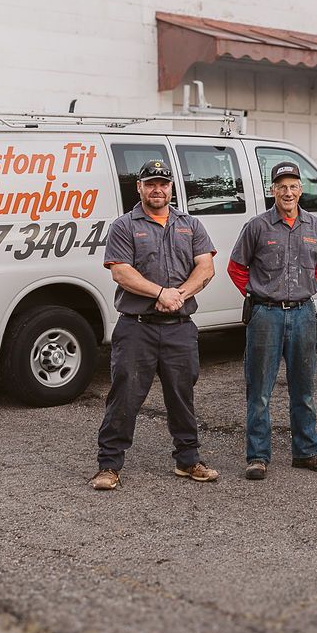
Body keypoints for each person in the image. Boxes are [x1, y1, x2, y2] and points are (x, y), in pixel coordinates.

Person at [90, 159, 218, 490]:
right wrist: (160, 292)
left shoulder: (190, 224)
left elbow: (205, 268)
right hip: (137, 327)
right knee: (125, 395)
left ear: (171, 188)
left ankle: (188, 461)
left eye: (162, 183)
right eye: (150, 184)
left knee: (182, 395)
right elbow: (121, 271)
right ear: (140, 188)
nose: (157, 189)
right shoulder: (124, 225)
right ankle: (109, 465)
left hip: (179, 326)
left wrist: (178, 296)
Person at [228, 161, 317, 481]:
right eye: (281, 186)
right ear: (272, 190)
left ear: (301, 190)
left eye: (293, 186)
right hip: (266, 315)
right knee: (259, 390)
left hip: (304, 314)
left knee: (304, 388)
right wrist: (258, 294)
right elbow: (236, 268)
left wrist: (303, 292)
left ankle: (306, 452)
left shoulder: (315, 227)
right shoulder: (257, 226)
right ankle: (258, 456)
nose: (287, 192)